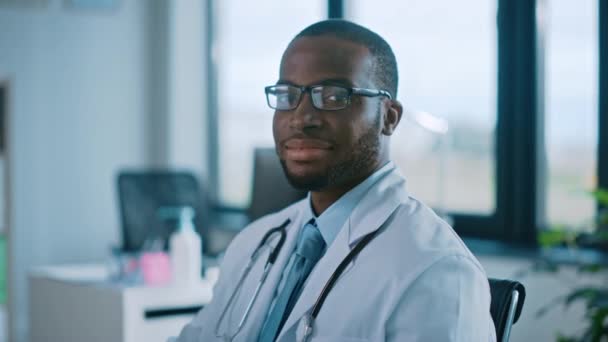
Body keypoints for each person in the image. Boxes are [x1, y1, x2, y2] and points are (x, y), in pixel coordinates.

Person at [175, 19, 496, 342]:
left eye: (332, 96)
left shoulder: (437, 270)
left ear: (389, 117)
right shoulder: (255, 242)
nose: (301, 118)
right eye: (287, 95)